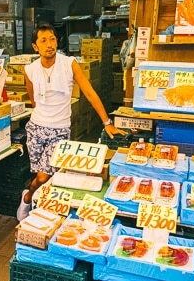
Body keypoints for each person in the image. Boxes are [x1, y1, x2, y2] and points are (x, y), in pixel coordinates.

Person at [16, 23, 124, 221]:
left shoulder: (69, 64)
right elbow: (33, 101)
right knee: (42, 175)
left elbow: (90, 93)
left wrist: (107, 122)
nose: (49, 44)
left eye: (52, 39)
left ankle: (28, 197)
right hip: (35, 128)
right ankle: (42, 210)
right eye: (43, 40)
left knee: (43, 176)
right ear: (35, 46)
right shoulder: (29, 70)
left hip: (59, 130)